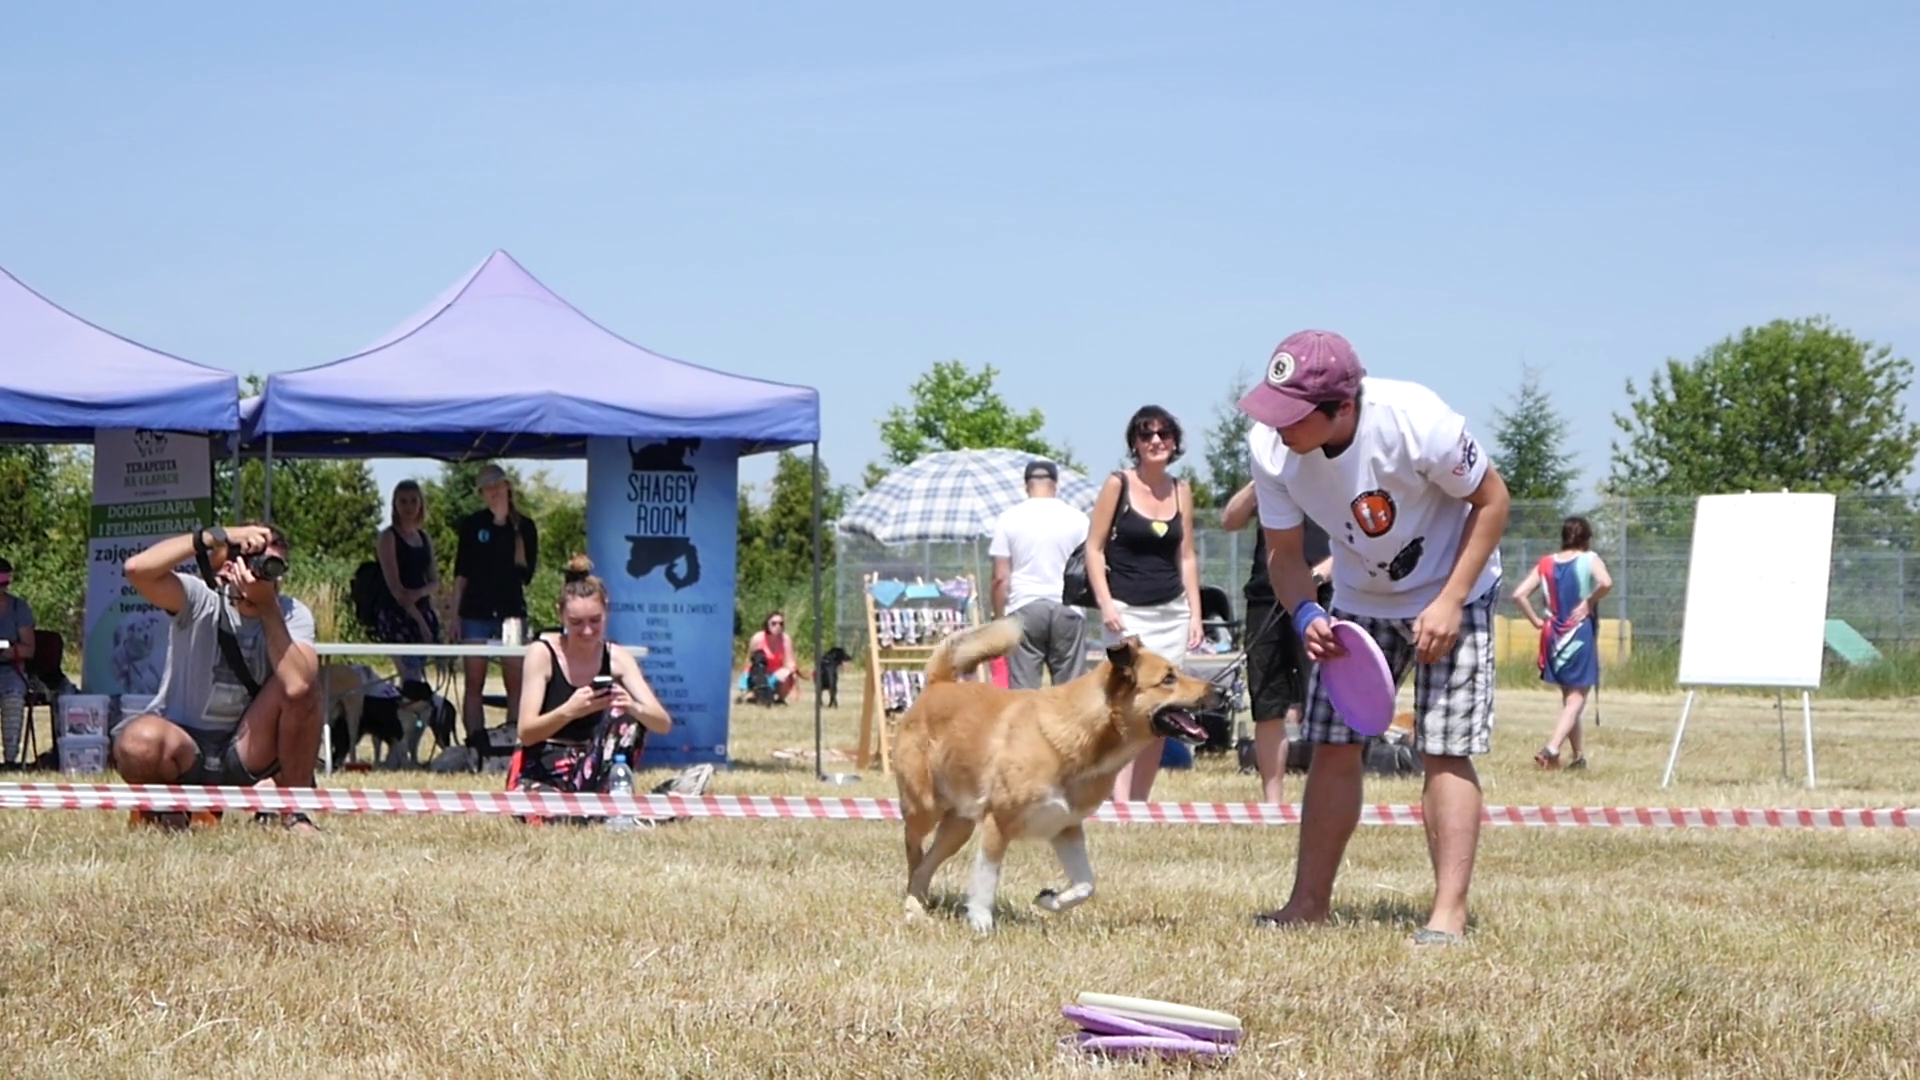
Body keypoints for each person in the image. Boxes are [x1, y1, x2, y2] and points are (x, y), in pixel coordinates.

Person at [1240, 329, 1510, 946]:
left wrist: (1449, 601)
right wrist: (1305, 612)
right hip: (1357, 601)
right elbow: (1283, 553)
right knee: (1332, 745)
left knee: (1444, 746)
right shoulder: (1269, 446)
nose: (1277, 424)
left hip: (1455, 588)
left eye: (1292, 413)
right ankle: (1307, 904)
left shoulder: (1417, 421)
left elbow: (1493, 502)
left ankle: (1447, 916)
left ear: (1341, 406)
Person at [109, 523, 323, 834]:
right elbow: (137, 570)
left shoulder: (291, 613)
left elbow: (298, 686)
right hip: (186, 746)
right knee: (138, 742)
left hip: (247, 748)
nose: (267, 575)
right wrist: (214, 537)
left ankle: (295, 813)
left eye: (276, 567)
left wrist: (267, 607)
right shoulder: (201, 599)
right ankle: (170, 808)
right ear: (231, 567)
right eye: (258, 563)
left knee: (305, 681)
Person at [1084, 405, 1204, 803]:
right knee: (1126, 707)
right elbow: (1094, 548)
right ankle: (1119, 804)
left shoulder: (1182, 490)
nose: (1156, 441)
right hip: (1126, 613)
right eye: (1146, 434)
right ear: (1134, 443)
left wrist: (1195, 613)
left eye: (1164, 434)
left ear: (1175, 442)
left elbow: (1186, 555)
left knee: (1161, 711)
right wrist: (1106, 604)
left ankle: (1139, 802)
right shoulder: (1117, 484)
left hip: (1171, 611)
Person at [513, 555, 672, 803]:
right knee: (549, 810)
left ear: (607, 611)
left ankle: (611, 796)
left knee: (627, 718)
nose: (587, 631)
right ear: (560, 615)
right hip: (544, 767)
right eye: (576, 623)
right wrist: (569, 710)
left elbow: (662, 723)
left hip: (595, 765)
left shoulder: (617, 657)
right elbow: (526, 733)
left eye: (595, 621)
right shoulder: (542, 654)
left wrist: (632, 706)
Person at [1220, 484, 1333, 805]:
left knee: (1325, 702)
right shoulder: (1269, 474)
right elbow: (1229, 520)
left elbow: (1356, 540)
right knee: (1267, 703)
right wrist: (1259, 479)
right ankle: (1273, 804)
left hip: (1320, 594)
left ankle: (1324, 798)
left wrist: (1320, 573)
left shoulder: (1333, 470)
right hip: (1266, 595)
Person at [1511, 515, 1613, 771]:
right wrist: (1589, 602)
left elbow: (1519, 594)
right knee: (1577, 698)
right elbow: (1606, 583)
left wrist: (1537, 621)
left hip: (1553, 636)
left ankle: (1578, 757)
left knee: (1569, 698)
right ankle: (1552, 748)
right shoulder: (1590, 559)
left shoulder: (1546, 563)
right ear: (1587, 538)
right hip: (1578, 634)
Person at [452, 464, 539, 755]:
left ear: (507, 487)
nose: (493, 492)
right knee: (473, 681)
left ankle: (512, 743)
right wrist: (454, 615)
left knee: (515, 682)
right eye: (487, 488)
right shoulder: (472, 525)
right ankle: (475, 745)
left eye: (497, 486)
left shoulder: (525, 526)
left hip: (511, 612)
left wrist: (505, 525)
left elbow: (525, 574)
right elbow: (461, 573)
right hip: (475, 612)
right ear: (481, 493)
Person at [989, 459, 1092, 690]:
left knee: (1024, 694)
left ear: (1026, 486)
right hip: (1068, 608)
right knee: (1071, 693)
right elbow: (1089, 567)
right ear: (1055, 485)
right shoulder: (1079, 520)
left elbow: (1000, 578)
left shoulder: (1009, 519)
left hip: (1023, 607)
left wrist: (998, 617)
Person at [373, 480, 441, 693]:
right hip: (397, 615)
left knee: (417, 677)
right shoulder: (388, 537)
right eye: (403, 502)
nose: (409, 507)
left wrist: (420, 594)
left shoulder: (424, 538)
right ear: (395, 504)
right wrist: (421, 623)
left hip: (423, 610)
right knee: (409, 677)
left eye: (413, 501)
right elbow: (397, 590)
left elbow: (435, 581)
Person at [0, 557, 35, 767]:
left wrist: (10, 651)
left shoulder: (18, 608)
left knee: (13, 697)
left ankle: (10, 759)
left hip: (11, 669)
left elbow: (29, 649)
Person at [740, 612, 802, 705]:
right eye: (774, 623)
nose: (778, 626)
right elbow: (750, 661)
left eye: (781, 624)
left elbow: (790, 662)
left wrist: (792, 674)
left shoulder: (786, 639)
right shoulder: (758, 638)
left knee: (787, 674)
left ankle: (780, 699)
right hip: (757, 674)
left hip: (775, 674)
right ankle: (752, 693)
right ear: (767, 624)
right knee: (752, 697)